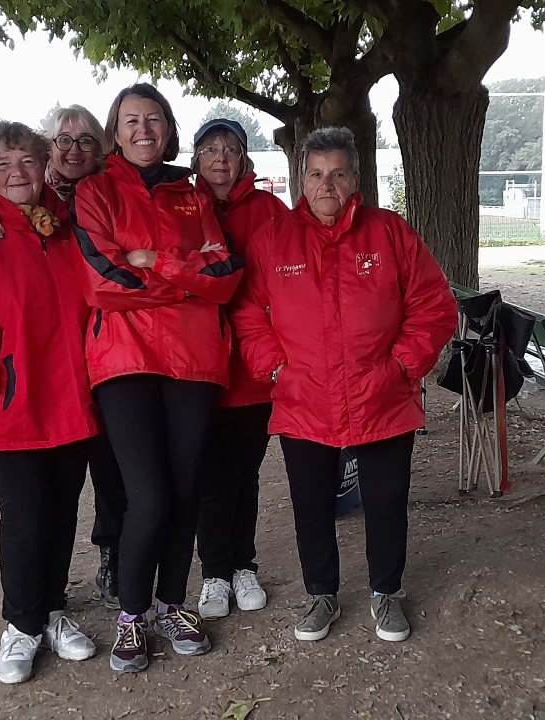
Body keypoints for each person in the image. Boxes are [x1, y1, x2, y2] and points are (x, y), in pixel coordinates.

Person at [232, 126, 457, 645]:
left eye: (337, 174)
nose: (326, 185)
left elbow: (434, 305)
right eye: (315, 174)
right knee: (310, 503)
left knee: (386, 499)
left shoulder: (390, 234)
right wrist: (276, 370)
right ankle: (321, 594)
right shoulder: (273, 241)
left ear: (355, 179)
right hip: (303, 398)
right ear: (301, 180)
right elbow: (247, 314)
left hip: (382, 395)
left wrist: (402, 367)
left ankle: (386, 592)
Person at [72, 83, 243, 673]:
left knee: (187, 488)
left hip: (195, 360)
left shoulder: (194, 193)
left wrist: (153, 262)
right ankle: (131, 615)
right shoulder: (93, 192)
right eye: (130, 120)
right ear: (115, 133)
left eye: (154, 120)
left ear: (169, 129)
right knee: (147, 495)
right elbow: (101, 283)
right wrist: (184, 278)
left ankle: (174, 605)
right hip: (125, 361)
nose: (143, 130)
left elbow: (225, 276)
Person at [0, 106, 129, 611]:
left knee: (63, 512)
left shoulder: (66, 225)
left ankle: (50, 612)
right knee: (26, 515)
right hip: (15, 402)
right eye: (3, 163)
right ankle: (21, 623)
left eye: (26, 161)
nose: (16, 173)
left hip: (73, 399)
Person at [188, 118, 289, 620]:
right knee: (210, 472)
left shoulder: (270, 211)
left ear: (244, 158)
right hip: (198, 361)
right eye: (210, 149)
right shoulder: (180, 206)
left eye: (229, 149)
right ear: (196, 158)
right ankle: (213, 573)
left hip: (252, 364)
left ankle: (243, 563)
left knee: (245, 471)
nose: (220, 158)